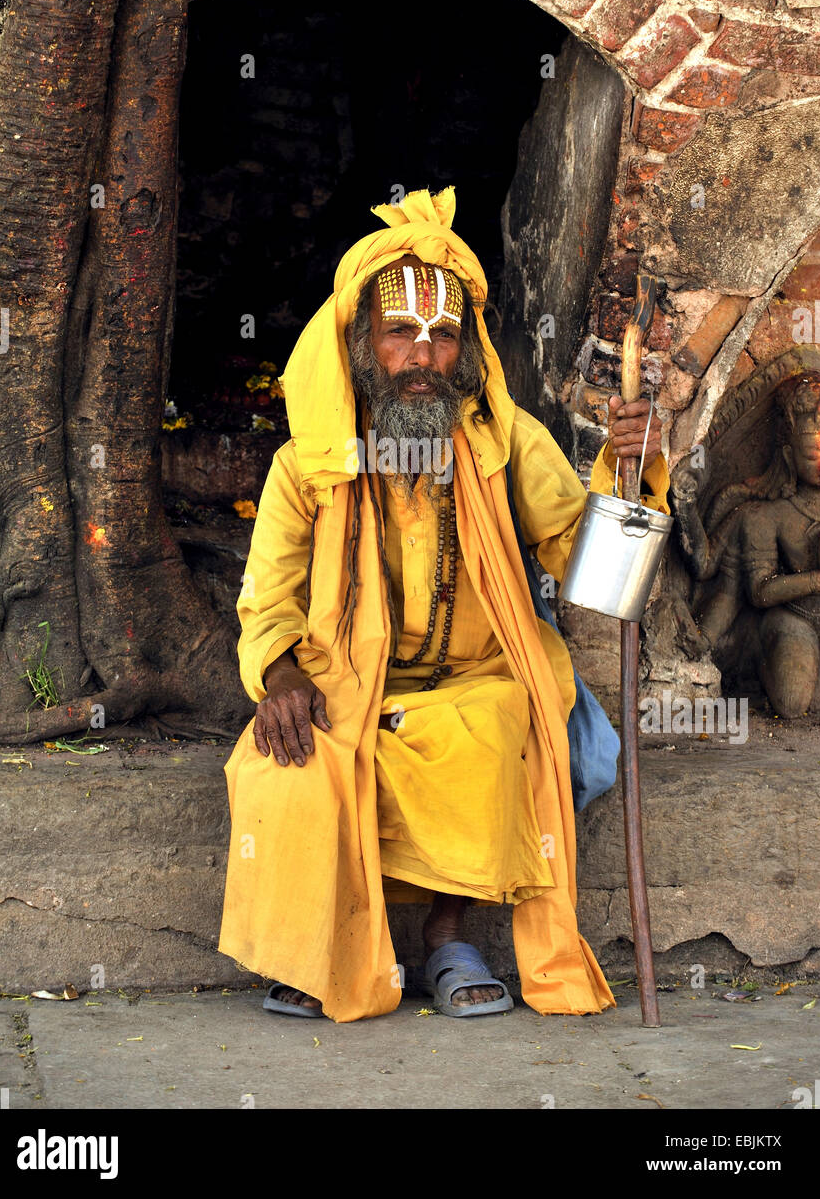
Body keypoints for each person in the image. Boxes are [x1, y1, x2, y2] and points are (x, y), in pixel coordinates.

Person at [218, 186, 669, 1022]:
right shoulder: (303, 465)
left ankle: (446, 938)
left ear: (464, 353)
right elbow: (267, 600)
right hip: (344, 685)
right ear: (361, 347)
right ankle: (329, 944)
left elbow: (594, 571)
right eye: (401, 333)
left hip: (479, 678)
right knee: (287, 764)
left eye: (444, 335)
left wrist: (627, 474)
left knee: (498, 727)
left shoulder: (506, 444)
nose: (422, 356)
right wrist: (280, 675)